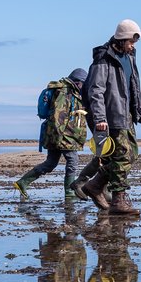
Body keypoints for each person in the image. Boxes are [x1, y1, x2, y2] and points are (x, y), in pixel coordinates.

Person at [74, 20, 141, 216]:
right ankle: (118, 200)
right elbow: (95, 92)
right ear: (121, 39)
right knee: (121, 156)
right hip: (110, 116)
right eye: (131, 41)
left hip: (127, 115)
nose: (133, 46)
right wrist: (100, 119)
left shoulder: (130, 57)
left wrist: (136, 112)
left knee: (132, 154)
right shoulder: (103, 59)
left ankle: (95, 185)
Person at [15, 68, 89, 200]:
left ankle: (23, 182)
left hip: (57, 134)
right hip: (62, 135)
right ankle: (69, 192)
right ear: (78, 82)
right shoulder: (64, 92)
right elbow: (58, 116)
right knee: (73, 160)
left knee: (50, 163)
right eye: (84, 84)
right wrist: (59, 136)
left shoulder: (69, 91)